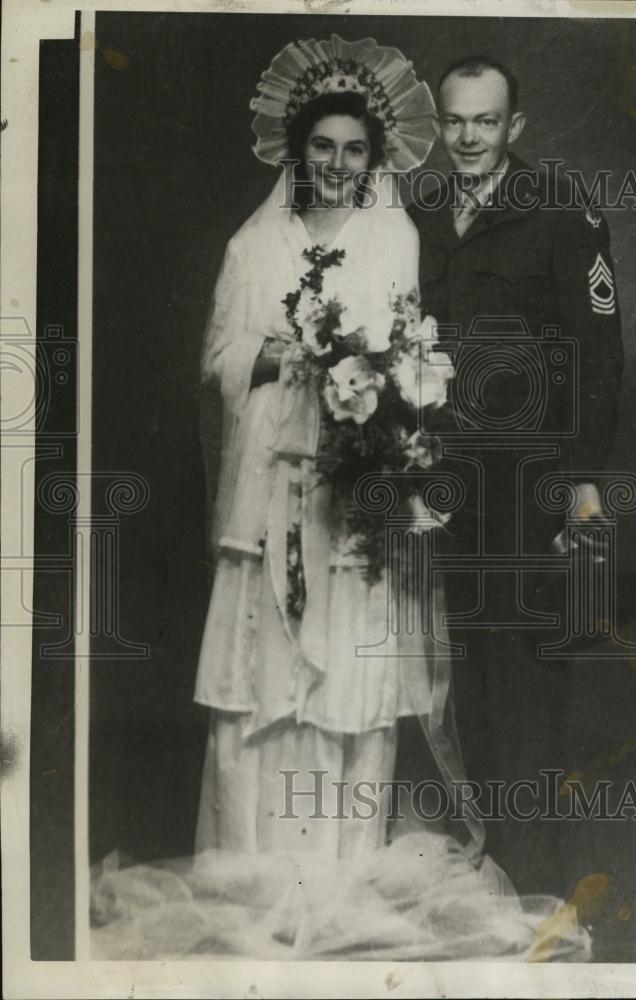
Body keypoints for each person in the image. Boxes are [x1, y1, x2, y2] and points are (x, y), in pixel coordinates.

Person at [90, 37, 591, 961]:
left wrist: (376, 380)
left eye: (354, 150)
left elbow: (419, 351)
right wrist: (296, 354)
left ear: (376, 159)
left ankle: (342, 871)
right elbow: (217, 360)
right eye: (321, 147)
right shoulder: (256, 241)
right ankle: (253, 870)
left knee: (354, 681)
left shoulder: (397, 237)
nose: (336, 164)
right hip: (270, 492)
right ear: (297, 151)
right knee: (262, 685)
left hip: (356, 496)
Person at [407, 56, 625, 897]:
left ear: (515, 129)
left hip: (524, 485)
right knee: (451, 668)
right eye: (455, 122)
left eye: (486, 122)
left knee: (521, 680)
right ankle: (479, 865)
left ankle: (533, 879)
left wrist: (580, 483)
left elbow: (599, 359)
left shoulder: (562, 214)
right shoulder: (420, 213)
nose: (468, 138)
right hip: (439, 483)